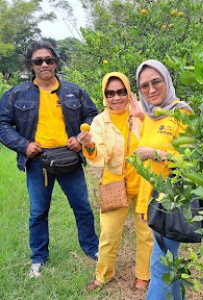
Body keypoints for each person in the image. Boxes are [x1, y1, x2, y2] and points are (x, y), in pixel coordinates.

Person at [0, 41, 99, 277]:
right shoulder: (16, 94)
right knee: (38, 212)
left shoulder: (75, 91)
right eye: (38, 61)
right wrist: (24, 146)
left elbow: (94, 116)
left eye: (49, 60)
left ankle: (92, 249)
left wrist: (79, 137)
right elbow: (2, 124)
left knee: (83, 208)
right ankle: (38, 258)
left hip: (70, 158)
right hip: (38, 162)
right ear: (31, 65)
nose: (44, 64)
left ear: (55, 63)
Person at [77, 72, 153, 293]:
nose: (116, 97)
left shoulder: (141, 113)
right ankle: (103, 275)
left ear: (129, 92)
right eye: (110, 93)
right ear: (104, 96)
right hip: (114, 187)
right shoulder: (100, 122)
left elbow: (158, 137)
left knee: (146, 234)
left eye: (121, 91)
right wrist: (89, 145)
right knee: (108, 235)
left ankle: (142, 276)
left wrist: (143, 116)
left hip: (144, 184)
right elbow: (100, 156)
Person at [133, 59, 194, 300]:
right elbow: (147, 171)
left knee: (158, 267)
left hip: (174, 201)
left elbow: (193, 159)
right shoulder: (151, 116)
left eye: (156, 81)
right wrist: (141, 204)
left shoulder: (182, 112)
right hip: (155, 202)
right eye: (144, 85)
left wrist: (157, 154)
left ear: (167, 80)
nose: (151, 90)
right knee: (168, 264)